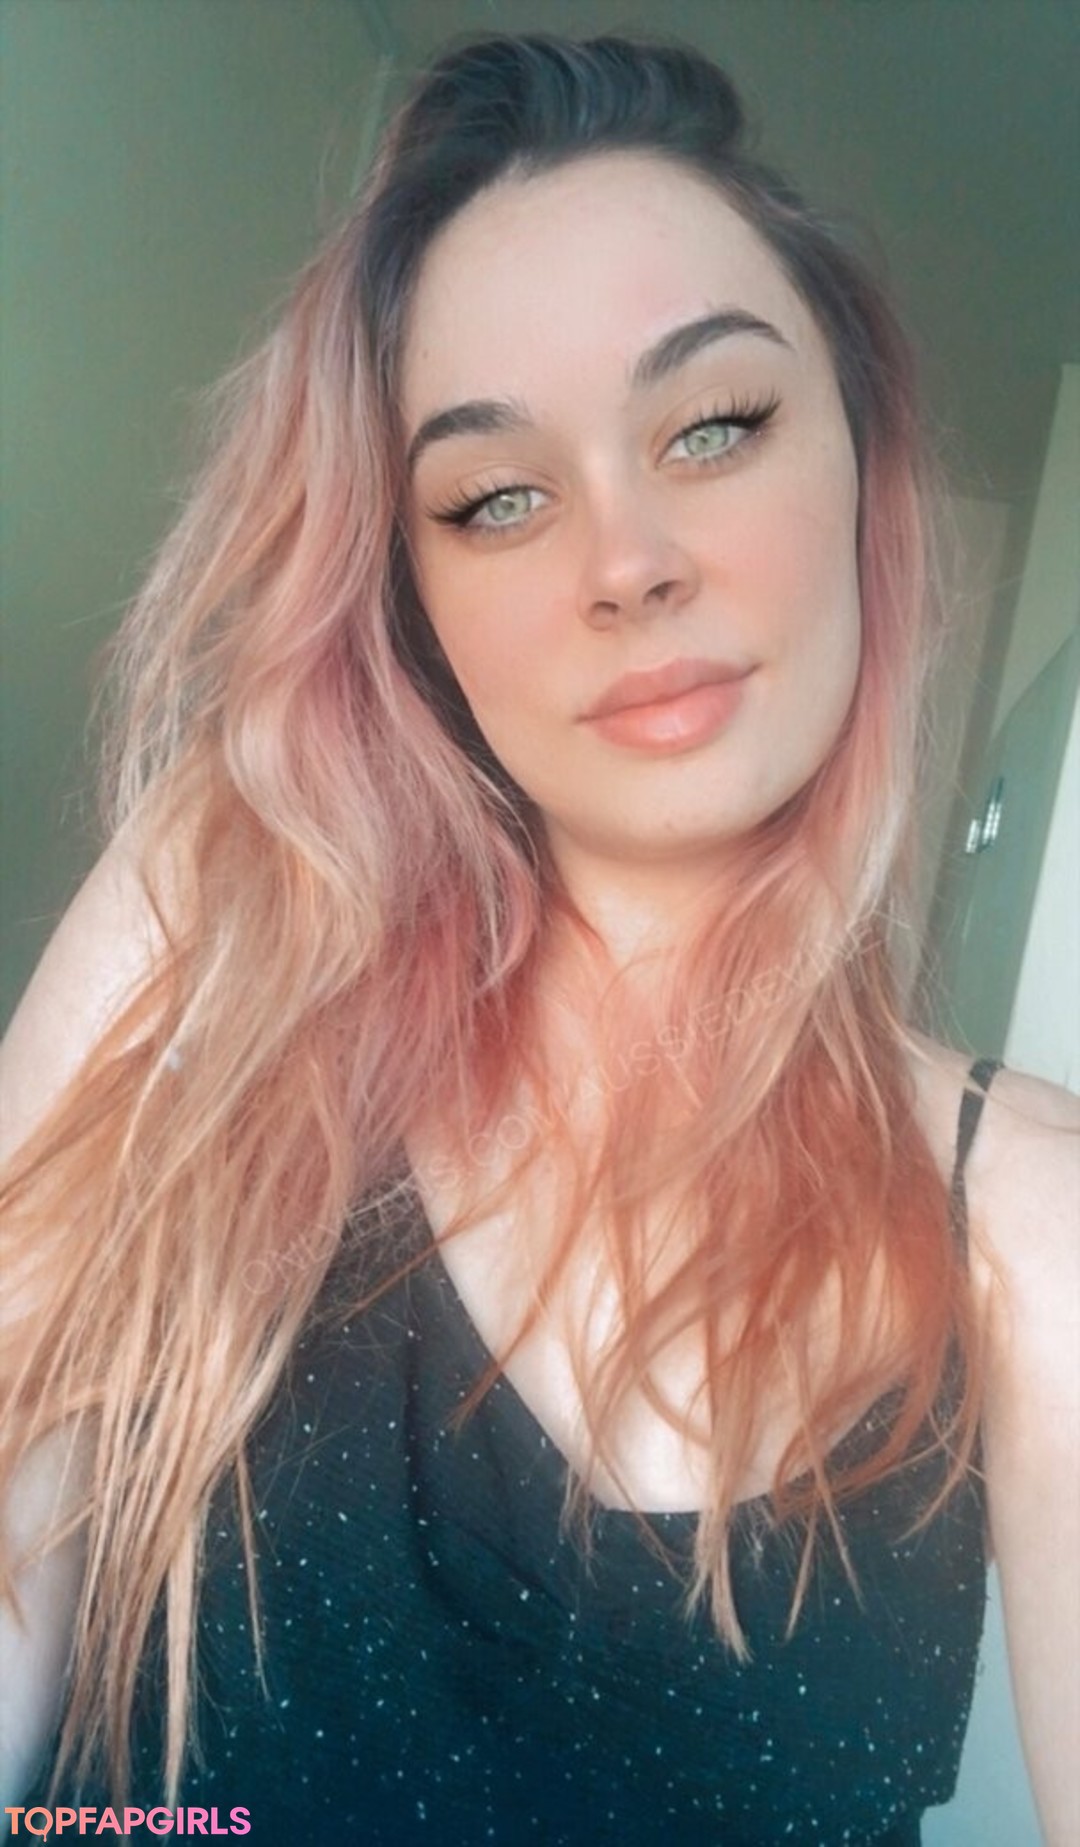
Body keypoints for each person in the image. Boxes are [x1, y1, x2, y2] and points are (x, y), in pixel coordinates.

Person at [1, 31, 1077, 1847]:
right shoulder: (227, 962)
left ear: (866, 471)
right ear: (410, 602)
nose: (625, 559)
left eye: (715, 425)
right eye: (497, 496)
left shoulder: (1035, 1227)